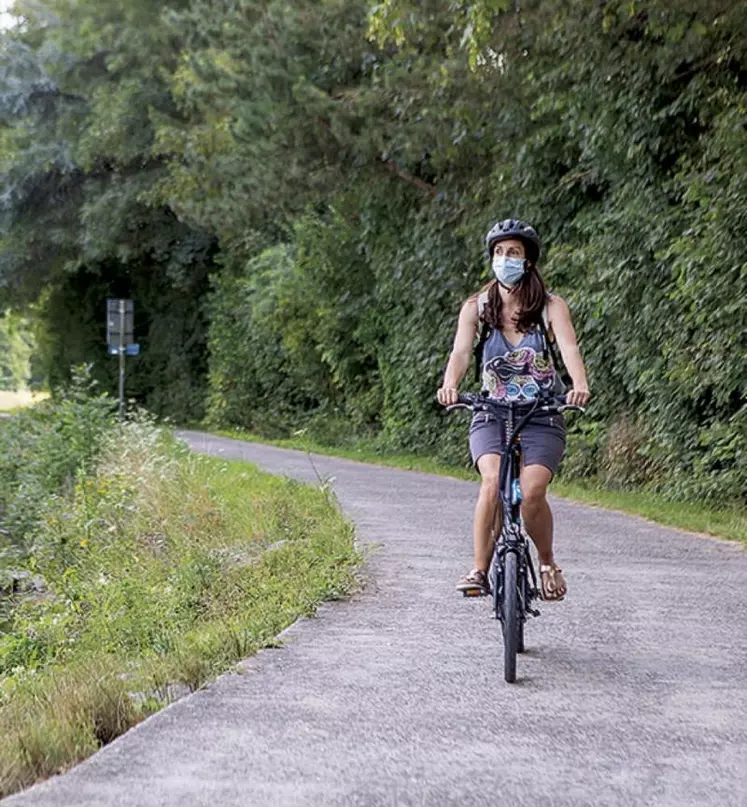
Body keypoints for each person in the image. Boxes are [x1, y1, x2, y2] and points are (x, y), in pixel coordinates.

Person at [436, 219, 590, 600]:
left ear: (528, 261)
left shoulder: (551, 307)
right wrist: (451, 384)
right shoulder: (478, 306)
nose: (505, 259)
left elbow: (569, 348)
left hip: (541, 413)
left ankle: (547, 561)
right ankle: (479, 569)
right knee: (491, 483)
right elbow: (460, 351)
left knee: (534, 492)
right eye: (499, 252)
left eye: (514, 253)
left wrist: (578, 385)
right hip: (492, 412)